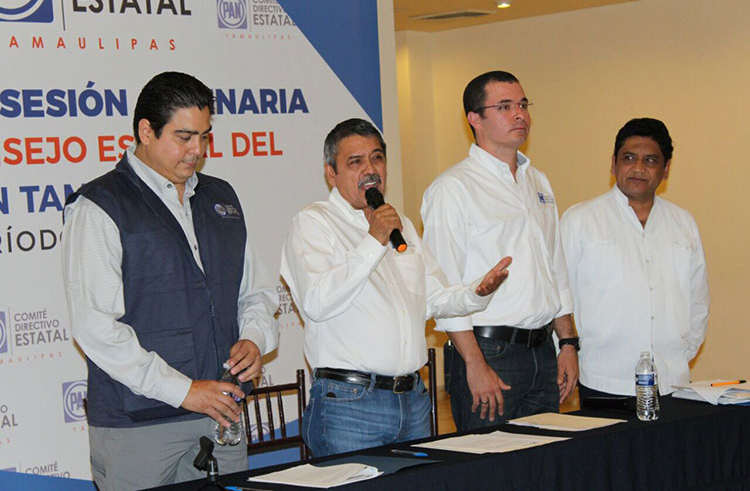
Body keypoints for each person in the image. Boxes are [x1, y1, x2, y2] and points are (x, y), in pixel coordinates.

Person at [61, 71, 279, 490]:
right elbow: (96, 327)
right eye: (184, 137)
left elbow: (257, 292)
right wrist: (184, 391)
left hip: (222, 417)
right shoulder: (100, 206)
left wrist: (254, 338)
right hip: (137, 427)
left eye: (204, 136)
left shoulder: (222, 199)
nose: (197, 150)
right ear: (146, 131)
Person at [280, 118, 512, 457]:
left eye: (377, 158)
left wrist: (477, 292)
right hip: (350, 406)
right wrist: (374, 239)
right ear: (331, 173)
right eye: (355, 162)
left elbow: (434, 298)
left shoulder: (400, 225)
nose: (370, 170)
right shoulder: (314, 222)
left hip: (413, 401)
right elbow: (317, 302)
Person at [421, 71, 579, 431]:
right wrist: (475, 364)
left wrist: (567, 343)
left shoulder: (538, 181)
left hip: (543, 349)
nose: (520, 114)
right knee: (492, 460)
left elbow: (556, 270)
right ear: (474, 119)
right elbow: (441, 290)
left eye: (523, 104)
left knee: (547, 458)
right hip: (489, 352)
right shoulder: (452, 189)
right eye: (505, 107)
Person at [560, 118, 709, 400]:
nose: (639, 168)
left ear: (666, 169)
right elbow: (560, 295)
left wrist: (681, 352)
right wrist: (566, 351)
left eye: (650, 160)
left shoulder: (683, 223)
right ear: (613, 164)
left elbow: (698, 298)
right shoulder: (580, 220)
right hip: (603, 378)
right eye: (629, 158)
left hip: (671, 380)